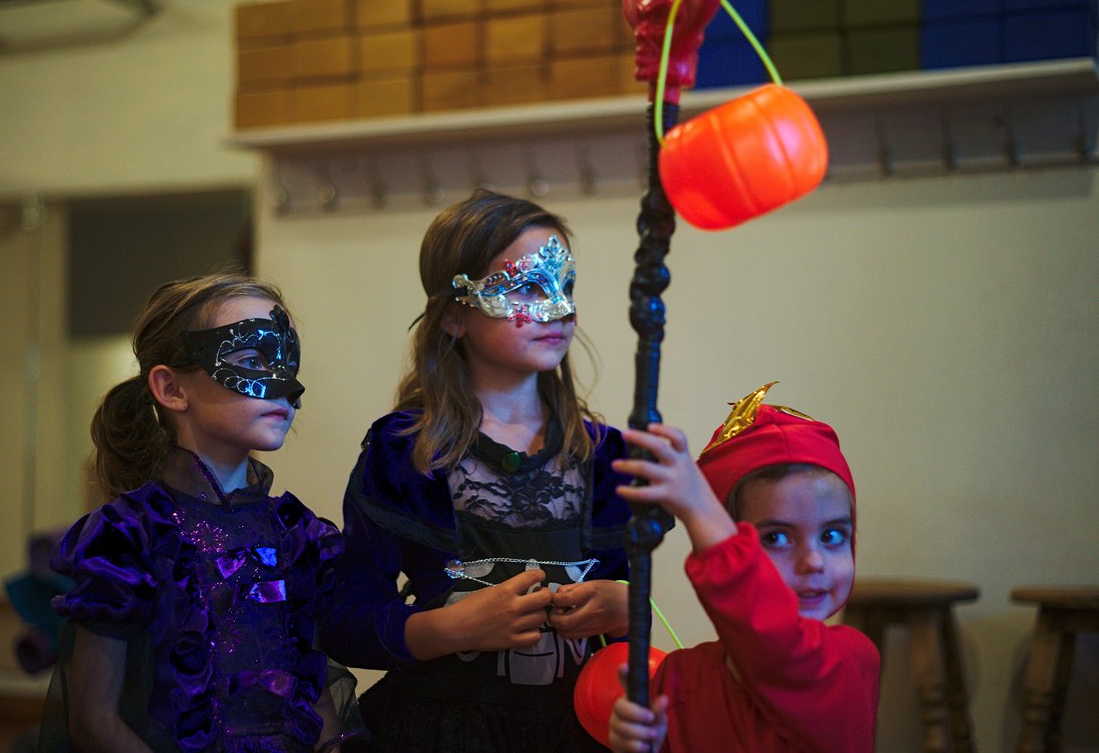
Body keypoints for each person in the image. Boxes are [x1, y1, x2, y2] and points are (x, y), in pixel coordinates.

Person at [319, 189, 637, 752]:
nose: (559, 308)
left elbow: (642, 615)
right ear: (452, 316)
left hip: (578, 732)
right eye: (527, 287)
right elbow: (345, 618)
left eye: (565, 286)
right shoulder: (403, 452)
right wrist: (447, 628)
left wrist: (626, 606)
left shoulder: (607, 457)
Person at [39, 272, 347, 753]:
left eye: (288, 362)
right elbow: (93, 718)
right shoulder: (129, 536)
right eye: (251, 359)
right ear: (172, 388)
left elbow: (315, 692)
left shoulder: (297, 534)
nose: (287, 386)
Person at [608, 382, 879, 753]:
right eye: (776, 539)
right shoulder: (675, 680)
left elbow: (778, 649)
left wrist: (699, 507)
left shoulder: (850, 661)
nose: (813, 561)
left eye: (832, 535)